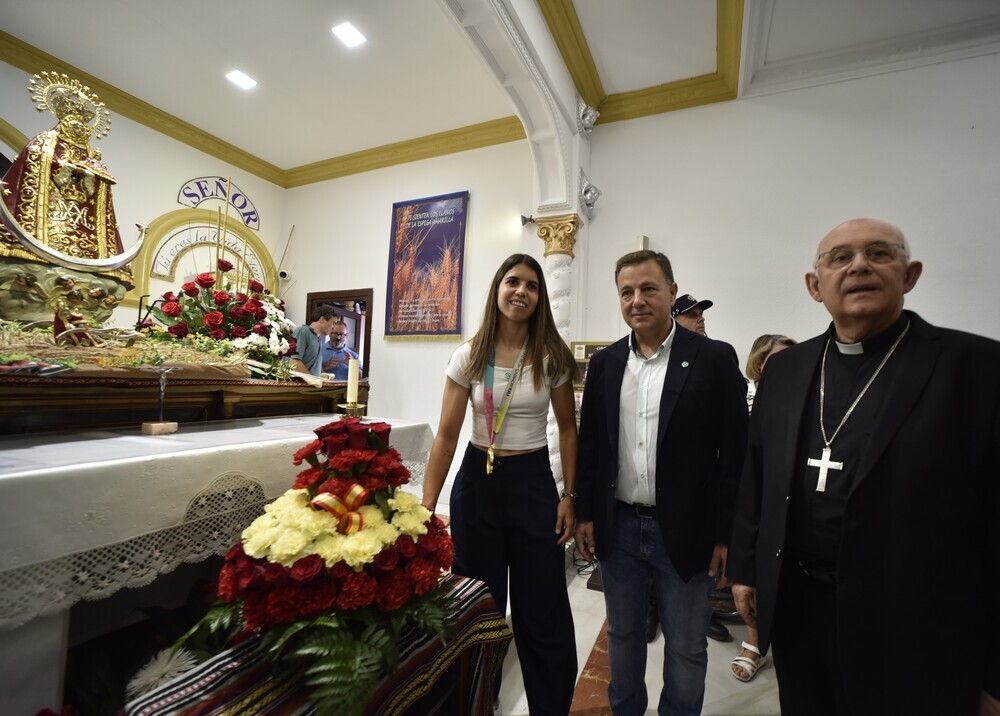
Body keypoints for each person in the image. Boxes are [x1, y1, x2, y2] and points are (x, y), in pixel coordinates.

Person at [728, 218, 1000, 715]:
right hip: (799, 607)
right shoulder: (786, 371)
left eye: (878, 253)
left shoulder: (976, 368)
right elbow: (758, 474)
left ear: (910, 274)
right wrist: (746, 571)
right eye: (839, 257)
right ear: (815, 286)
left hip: (915, 623)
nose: (858, 266)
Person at [574, 250, 748, 716]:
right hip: (621, 526)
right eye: (627, 292)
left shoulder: (713, 358)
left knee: (687, 646)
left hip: (688, 528)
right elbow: (591, 446)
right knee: (623, 635)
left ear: (672, 292)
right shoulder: (607, 363)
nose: (637, 300)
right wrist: (587, 512)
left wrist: (726, 534)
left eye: (649, 288)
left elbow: (735, 456)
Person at [421, 253, 579, 715]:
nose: (521, 292)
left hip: (532, 484)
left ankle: (550, 706)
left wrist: (570, 494)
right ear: (497, 290)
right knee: (478, 605)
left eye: (532, 285)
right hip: (478, 482)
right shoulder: (469, 355)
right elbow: (447, 434)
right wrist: (427, 506)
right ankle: (477, 702)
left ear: (539, 297)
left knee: (541, 608)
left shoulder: (550, 356)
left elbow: (568, 430)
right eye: (513, 282)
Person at [728, 333, 797, 683]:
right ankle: (755, 640)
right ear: (759, 363)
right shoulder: (746, 398)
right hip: (748, 497)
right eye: (776, 360)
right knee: (750, 578)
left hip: (788, 503)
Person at [288, 306, 338, 376]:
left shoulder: (318, 338)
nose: (334, 328)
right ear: (322, 319)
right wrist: (313, 380)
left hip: (311, 385)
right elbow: (294, 361)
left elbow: (315, 366)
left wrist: (324, 377)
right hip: (299, 385)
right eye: (333, 323)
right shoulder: (303, 331)